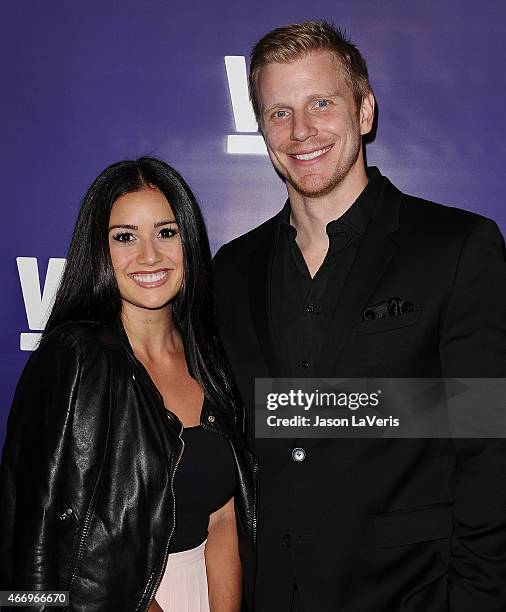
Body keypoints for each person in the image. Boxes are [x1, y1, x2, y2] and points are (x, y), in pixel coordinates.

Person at [213, 20, 506, 612]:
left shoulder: (454, 248)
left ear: (364, 110)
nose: (301, 131)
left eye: (322, 102)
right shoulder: (232, 270)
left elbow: (490, 445)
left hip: (412, 594)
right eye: (279, 112)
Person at [0, 157, 256, 611]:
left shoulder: (211, 356)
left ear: (188, 242)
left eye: (166, 232)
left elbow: (223, 516)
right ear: (99, 250)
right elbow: (34, 528)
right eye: (124, 237)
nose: (149, 256)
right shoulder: (74, 357)